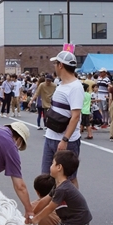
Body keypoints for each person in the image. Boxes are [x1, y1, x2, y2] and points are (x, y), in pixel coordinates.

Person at [27, 151, 91, 225]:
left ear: (59, 167)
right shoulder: (59, 185)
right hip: (70, 219)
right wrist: (32, 213)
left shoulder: (63, 189)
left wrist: (35, 219)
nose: (51, 165)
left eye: (53, 163)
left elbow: (50, 208)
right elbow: (44, 200)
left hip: (79, 222)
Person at [41, 50, 84, 180]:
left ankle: (73, 201)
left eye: (55, 63)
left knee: (68, 179)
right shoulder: (60, 84)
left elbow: (75, 116)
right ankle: (50, 201)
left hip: (66, 141)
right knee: (46, 177)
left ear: (61, 65)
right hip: (51, 136)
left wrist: (65, 139)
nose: (54, 66)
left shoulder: (75, 87)